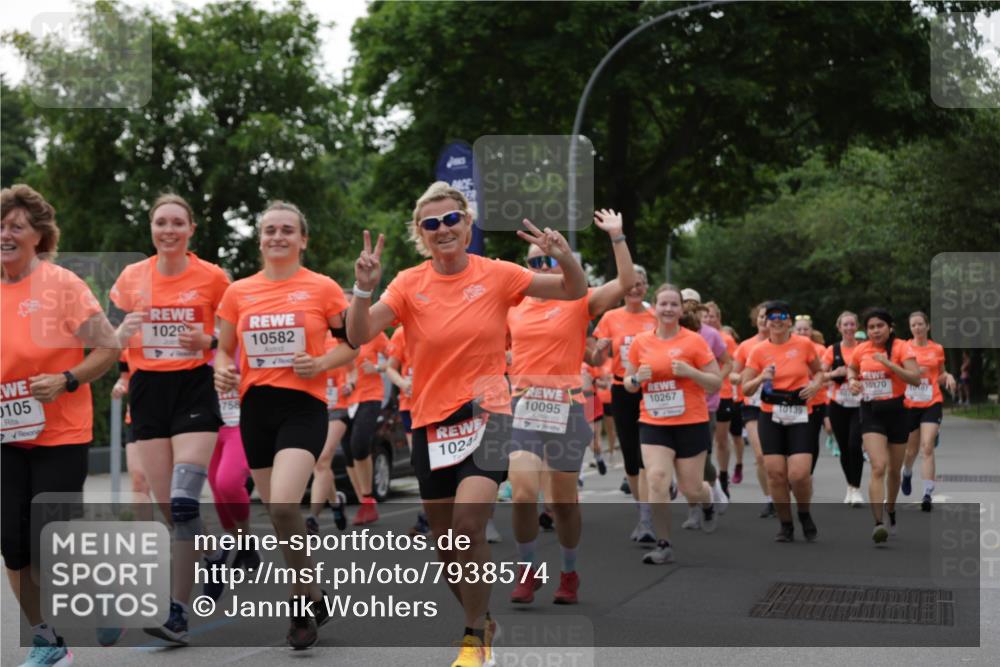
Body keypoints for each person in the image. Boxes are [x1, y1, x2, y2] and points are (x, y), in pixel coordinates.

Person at [347, 181, 588, 667]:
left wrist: (563, 255)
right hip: (431, 423)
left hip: (489, 412)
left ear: (467, 222)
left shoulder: (498, 274)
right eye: (431, 224)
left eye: (451, 219)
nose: (443, 230)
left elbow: (573, 290)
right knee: (446, 548)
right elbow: (358, 334)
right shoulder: (409, 285)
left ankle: (474, 638)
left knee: (468, 526)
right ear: (421, 233)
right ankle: (485, 619)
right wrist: (363, 290)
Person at [214, 201, 358, 648]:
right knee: (282, 518)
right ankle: (315, 593)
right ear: (259, 239)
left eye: (287, 230)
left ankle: (300, 607)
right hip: (255, 409)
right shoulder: (239, 292)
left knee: (280, 506)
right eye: (270, 230)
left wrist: (319, 363)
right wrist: (221, 368)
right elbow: (223, 349)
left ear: (302, 240)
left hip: (303, 408)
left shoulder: (322, 288)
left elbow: (351, 345)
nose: (277, 236)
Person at [2, 184, 119, 666]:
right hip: (7, 434)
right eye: (0, 225)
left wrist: (68, 379)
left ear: (39, 236)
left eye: (16, 226)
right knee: (13, 543)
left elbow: (109, 348)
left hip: (61, 432)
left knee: (49, 540)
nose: (5, 233)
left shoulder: (62, 285)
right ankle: (46, 640)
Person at [109, 193, 231, 645]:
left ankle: (177, 612)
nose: (169, 230)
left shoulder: (213, 277)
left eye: (178, 222)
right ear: (151, 228)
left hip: (193, 388)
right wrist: (121, 333)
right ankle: (214, 551)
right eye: (161, 222)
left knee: (182, 502)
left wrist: (210, 337)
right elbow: (113, 332)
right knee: (168, 507)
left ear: (191, 229)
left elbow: (235, 325)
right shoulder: (130, 277)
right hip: (147, 391)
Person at [506, 208, 634, 605]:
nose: (542, 266)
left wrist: (617, 235)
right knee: (524, 493)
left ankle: (569, 571)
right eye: (534, 262)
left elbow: (626, 283)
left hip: (565, 407)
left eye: (549, 259)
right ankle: (528, 569)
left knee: (563, 504)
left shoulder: (578, 300)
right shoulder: (512, 307)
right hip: (524, 407)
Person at [624, 283, 722, 564]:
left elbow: (715, 382)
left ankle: (706, 502)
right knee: (656, 479)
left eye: (673, 304)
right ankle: (663, 544)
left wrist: (690, 371)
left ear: (681, 309)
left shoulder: (694, 341)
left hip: (691, 421)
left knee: (691, 487)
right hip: (653, 421)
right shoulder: (641, 342)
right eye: (663, 304)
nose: (668, 309)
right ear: (654, 308)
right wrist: (636, 380)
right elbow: (629, 383)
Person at [741, 301, 826, 542]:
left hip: (800, 414)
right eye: (771, 316)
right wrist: (760, 377)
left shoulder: (804, 345)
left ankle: (804, 513)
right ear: (765, 322)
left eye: (781, 316)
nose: (776, 320)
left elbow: (819, 372)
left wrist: (815, 384)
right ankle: (786, 524)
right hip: (771, 414)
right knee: (776, 474)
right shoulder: (757, 351)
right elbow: (745, 389)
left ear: (789, 321)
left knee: (799, 474)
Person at [846, 307, 921, 545]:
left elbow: (915, 378)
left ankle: (890, 509)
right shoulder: (861, 349)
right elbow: (852, 368)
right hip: (871, 412)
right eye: (871, 327)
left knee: (894, 471)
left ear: (890, 327)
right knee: (878, 466)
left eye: (880, 326)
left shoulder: (902, 348)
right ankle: (878, 524)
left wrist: (890, 365)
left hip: (898, 411)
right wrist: (851, 381)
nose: (875, 331)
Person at [593, 266, 657, 542]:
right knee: (631, 454)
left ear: (646, 287)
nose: (634, 289)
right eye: (630, 284)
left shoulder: (656, 315)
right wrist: (598, 350)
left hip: (653, 389)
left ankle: (656, 502)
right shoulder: (610, 318)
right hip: (622, 388)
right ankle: (643, 514)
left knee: (653, 452)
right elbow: (596, 360)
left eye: (640, 284)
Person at [678, 291, 731, 529]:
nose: (687, 308)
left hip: (705, 404)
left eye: (691, 304)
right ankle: (693, 511)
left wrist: (713, 381)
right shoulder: (668, 333)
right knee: (680, 462)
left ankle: (713, 486)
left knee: (701, 457)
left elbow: (727, 362)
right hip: (673, 407)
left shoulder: (710, 335)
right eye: (684, 303)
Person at [901, 311, 955, 512]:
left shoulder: (937, 349)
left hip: (932, 401)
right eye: (913, 325)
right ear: (910, 328)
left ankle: (927, 493)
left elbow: (940, 374)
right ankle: (906, 472)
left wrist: (948, 377)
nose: (917, 328)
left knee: (927, 447)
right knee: (911, 450)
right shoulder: (904, 348)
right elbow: (897, 374)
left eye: (920, 324)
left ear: (927, 326)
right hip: (910, 404)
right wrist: (913, 374)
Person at [305, 332, 350, 535]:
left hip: (338, 408)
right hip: (313, 407)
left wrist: (351, 383)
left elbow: (353, 371)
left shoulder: (339, 342)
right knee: (321, 464)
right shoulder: (304, 340)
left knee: (322, 459)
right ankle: (335, 501)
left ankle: (312, 519)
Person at [732, 303, 773, 516]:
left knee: (778, 458)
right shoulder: (746, 346)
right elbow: (732, 374)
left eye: (768, 317)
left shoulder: (782, 345)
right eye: (761, 317)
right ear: (755, 320)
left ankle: (781, 492)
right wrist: (742, 378)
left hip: (778, 405)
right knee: (760, 456)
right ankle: (770, 499)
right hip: (752, 405)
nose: (764, 321)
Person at [345, 328, 390, 525]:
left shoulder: (371, 333)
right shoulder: (334, 337)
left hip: (371, 396)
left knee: (359, 444)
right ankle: (365, 502)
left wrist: (378, 367)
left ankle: (368, 497)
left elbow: (395, 359)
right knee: (348, 451)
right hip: (344, 400)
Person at [822, 311, 865, 506]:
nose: (849, 328)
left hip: (859, 404)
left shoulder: (864, 349)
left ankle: (856, 488)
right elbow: (819, 376)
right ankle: (850, 485)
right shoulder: (832, 350)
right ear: (839, 328)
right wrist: (834, 374)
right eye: (845, 325)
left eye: (852, 324)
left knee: (855, 444)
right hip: (838, 404)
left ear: (857, 327)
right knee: (844, 448)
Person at [704, 303, 742, 492]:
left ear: (718, 318)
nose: (709, 320)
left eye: (712, 316)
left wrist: (717, 379)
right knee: (705, 443)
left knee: (721, 439)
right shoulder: (696, 337)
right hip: (702, 396)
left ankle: (724, 476)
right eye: (706, 316)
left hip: (724, 393)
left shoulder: (725, 338)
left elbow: (733, 364)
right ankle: (708, 475)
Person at [793, 315, 829, 474]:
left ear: (811, 331)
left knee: (811, 439)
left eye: (805, 329)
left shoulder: (820, 349)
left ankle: (808, 473)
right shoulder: (789, 348)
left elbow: (824, 374)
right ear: (793, 330)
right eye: (799, 329)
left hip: (816, 401)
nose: (802, 332)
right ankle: (794, 470)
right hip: (794, 401)